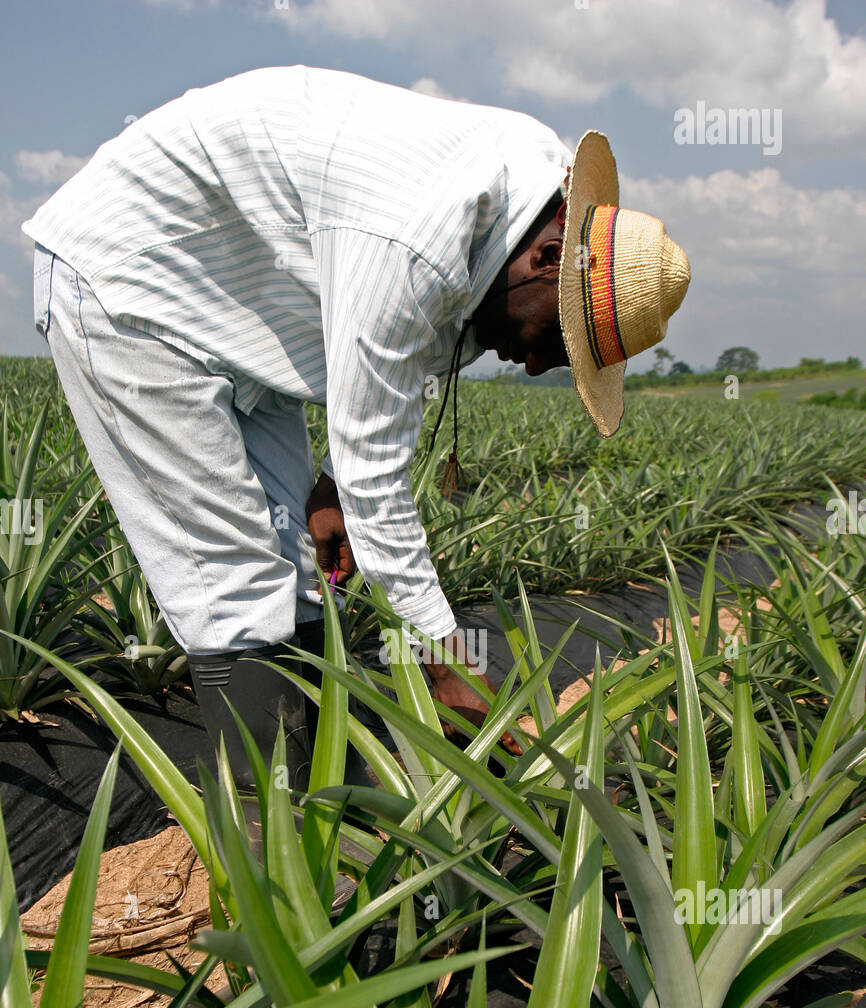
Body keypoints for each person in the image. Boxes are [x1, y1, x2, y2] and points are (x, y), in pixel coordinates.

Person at [22, 65, 689, 811]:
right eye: (552, 341)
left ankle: (312, 805)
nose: (533, 362)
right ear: (543, 260)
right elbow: (384, 472)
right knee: (234, 586)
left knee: (296, 575)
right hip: (130, 285)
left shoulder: (528, 202)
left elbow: (400, 369)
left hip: (246, 311)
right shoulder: (421, 239)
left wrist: (335, 481)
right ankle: (261, 860)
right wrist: (452, 664)